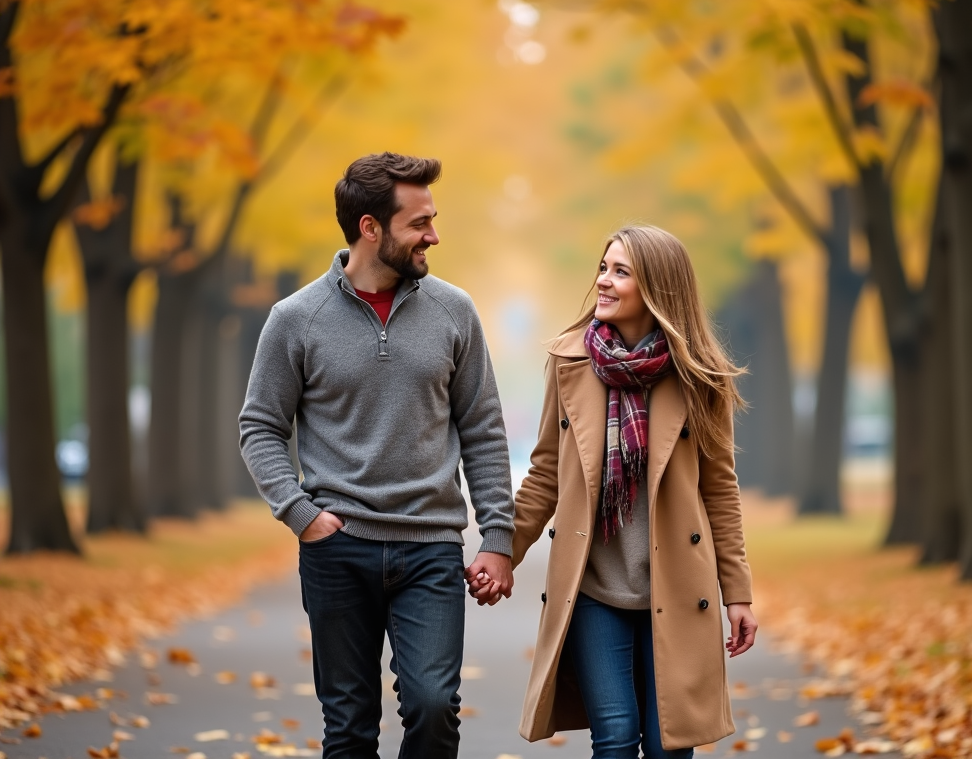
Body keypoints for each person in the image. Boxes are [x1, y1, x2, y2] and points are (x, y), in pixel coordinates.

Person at [239, 152, 515, 759]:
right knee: (350, 727)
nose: (433, 235)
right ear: (370, 227)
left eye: (432, 219)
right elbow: (260, 426)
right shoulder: (295, 319)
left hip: (431, 550)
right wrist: (300, 513)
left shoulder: (454, 311)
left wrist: (498, 537)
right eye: (419, 223)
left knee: (433, 705)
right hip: (338, 548)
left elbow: (484, 431)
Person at [473, 224, 757, 758]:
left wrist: (737, 592)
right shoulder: (571, 362)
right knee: (616, 739)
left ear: (657, 287)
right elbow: (545, 474)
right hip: (594, 589)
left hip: (675, 587)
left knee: (672, 743)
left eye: (620, 271)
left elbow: (719, 489)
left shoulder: (700, 376)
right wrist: (500, 551)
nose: (603, 281)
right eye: (603, 268)